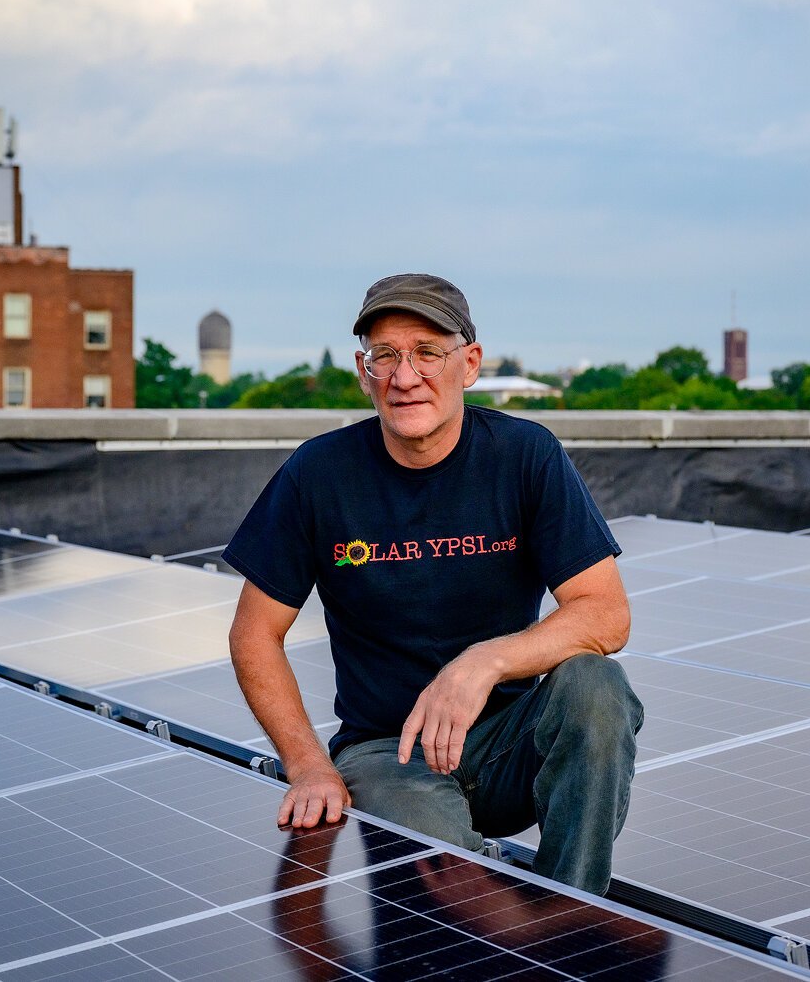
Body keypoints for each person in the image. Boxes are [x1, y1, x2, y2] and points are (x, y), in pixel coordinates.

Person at [225, 273, 642, 895]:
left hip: (508, 744)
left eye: (427, 351)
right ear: (364, 373)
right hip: (389, 757)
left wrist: (485, 662)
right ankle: (501, 929)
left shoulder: (525, 455)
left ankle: (572, 911)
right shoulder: (319, 473)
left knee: (597, 685)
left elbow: (606, 615)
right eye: (384, 355)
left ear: (469, 364)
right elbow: (254, 635)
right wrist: (309, 765)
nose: (404, 375)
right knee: (454, 908)